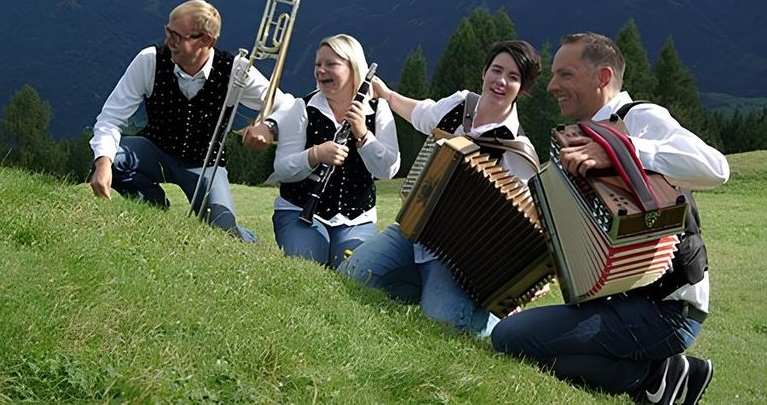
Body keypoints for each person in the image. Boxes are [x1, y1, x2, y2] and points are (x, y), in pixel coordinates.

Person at [490, 32, 729, 405]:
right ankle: (660, 377)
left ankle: (656, 374)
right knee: (520, 337)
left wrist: (620, 150)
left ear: (603, 78)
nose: (552, 86)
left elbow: (717, 168)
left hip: (666, 309)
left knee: (510, 339)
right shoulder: (579, 135)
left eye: (565, 75)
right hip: (613, 300)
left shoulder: (640, 118)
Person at [339, 40, 542, 336]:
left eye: (513, 77)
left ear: (522, 88)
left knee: (443, 329)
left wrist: (516, 283)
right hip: (414, 231)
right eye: (496, 70)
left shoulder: (519, 152)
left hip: (459, 261)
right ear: (484, 72)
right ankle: (421, 286)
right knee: (352, 276)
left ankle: (487, 315)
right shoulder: (461, 104)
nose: (501, 81)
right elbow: (422, 114)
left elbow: (525, 224)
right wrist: (386, 94)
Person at [89, 0, 293, 242]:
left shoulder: (236, 70)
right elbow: (110, 117)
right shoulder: (149, 60)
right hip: (155, 150)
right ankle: (153, 211)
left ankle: (251, 243)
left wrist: (268, 127)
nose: (168, 42)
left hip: (205, 164)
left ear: (206, 40)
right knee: (109, 159)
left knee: (224, 234)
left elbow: (288, 106)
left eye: (177, 36)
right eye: (168, 32)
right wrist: (102, 163)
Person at [268, 34, 400, 267]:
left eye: (331, 64)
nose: (321, 71)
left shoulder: (378, 110)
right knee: (307, 265)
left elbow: (388, 170)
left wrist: (363, 135)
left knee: (354, 272)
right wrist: (315, 155)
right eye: (318, 64)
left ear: (353, 68)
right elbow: (281, 169)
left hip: (356, 218)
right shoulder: (302, 107)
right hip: (299, 210)